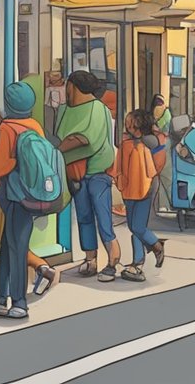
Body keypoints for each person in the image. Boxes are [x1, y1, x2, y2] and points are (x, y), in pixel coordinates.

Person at [0, 82, 48, 320]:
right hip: (31, 195)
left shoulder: (8, 128)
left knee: (14, 249)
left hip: (13, 195)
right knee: (11, 246)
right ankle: (2, 299)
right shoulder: (35, 126)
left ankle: (17, 302)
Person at [56, 70, 121, 282]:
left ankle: (112, 261)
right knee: (83, 217)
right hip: (74, 173)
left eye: (69, 86)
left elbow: (86, 139)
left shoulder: (98, 109)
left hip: (97, 172)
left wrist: (59, 149)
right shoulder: (65, 110)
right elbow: (61, 134)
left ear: (75, 86)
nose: (66, 91)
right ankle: (90, 259)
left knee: (103, 218)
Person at [116, 109, 167, 282]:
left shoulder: (147, 142)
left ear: (138, 125)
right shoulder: (129, 142)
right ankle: (137, 264)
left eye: (130, 122)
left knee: (137, 226)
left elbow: (153, 169)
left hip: (145, 189)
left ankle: (156, 246)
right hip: (130, 188)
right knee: (133, 226)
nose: (127, 125)